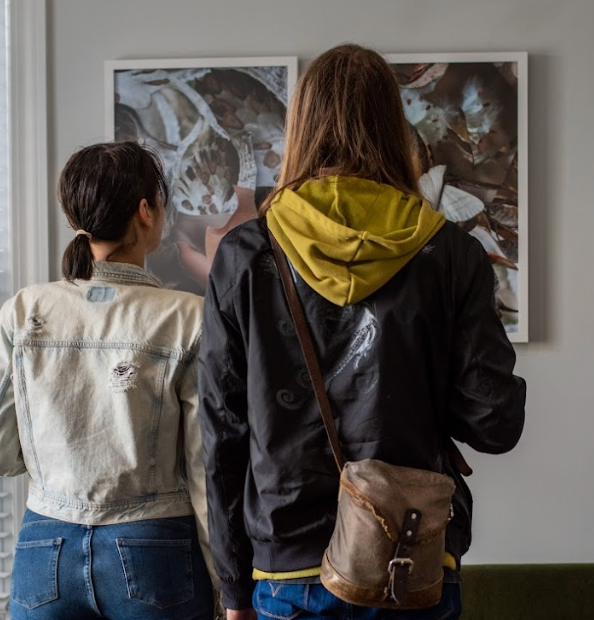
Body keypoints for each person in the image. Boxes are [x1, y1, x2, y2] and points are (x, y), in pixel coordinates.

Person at [198, 44, 526, 620]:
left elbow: (223, 433)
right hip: (409, 557)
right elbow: (495, 424)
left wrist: (231, 587)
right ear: (392, 126)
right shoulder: (449, 254)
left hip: (287, 567)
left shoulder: (247, 255)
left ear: (301, 125)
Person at [0, 142, 215, 620]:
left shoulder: (24, 310)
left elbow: (2, 448)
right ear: (146, 210)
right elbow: (206, 468)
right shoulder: (188, 317)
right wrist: (225, 581)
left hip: (43, 545)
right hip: (155, 545)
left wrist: (54, 461)